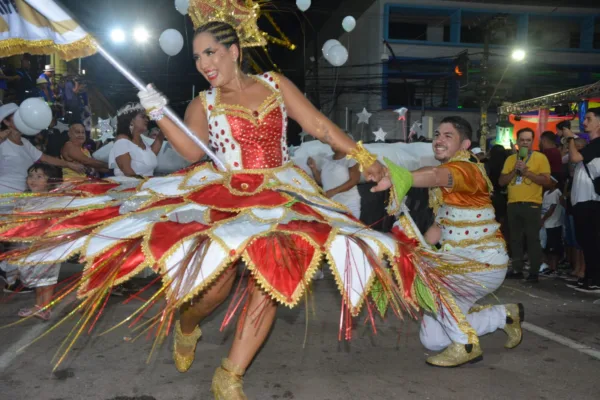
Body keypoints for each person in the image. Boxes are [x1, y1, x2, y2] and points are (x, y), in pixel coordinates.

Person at [0, 6, 447, 399]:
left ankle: (229, 376)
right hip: (228, 194)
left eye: (209, 53)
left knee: (271, 280)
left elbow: (319, 125)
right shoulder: (204, 101)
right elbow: (192, 152)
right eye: (196, 57)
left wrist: (365, 157)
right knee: (214, 289)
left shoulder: (274, 84)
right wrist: (158, 113)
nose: (203, 64)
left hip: (279, 191)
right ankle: (188, 324)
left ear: (233, 50)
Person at [371, 116, 522, 368]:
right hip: (459, 263)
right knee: (433, 340)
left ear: (464, 144)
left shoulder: (467, 169)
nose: (438, 140)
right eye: (437, 135)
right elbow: (437, 229)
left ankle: (466, 345)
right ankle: (503, 316)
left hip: (482, 263)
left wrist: (397, 176)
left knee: (426, 281)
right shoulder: (446, 180)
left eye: (447, 136)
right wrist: (409, 252)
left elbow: (434, 174)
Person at [499, 128, 551, 283]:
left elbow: (546, 181)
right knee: (514, 238)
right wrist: (515, 171)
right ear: (517, 142)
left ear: (533, 142)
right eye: (522, 140)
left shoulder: (540, 158)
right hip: (513, 203)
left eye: (528, 140)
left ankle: (534, 271)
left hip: (532, 204)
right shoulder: (510, 160)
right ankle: (517, 269)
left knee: (532, 238)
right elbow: (501, 181)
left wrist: (527, 172)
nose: (525, 143)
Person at [12, 164, 62, 320]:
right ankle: (39, 305)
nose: (33, 180)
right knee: (37, 278)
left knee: (46, 278)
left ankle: (45, 308)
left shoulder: (54, 199)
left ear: (50, 181)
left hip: (47, 245)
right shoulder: (23, 198)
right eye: (31, 176)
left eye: (39, 177)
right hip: (28, 245)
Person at [0, 103, 84, 194]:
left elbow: (45, 158)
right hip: (5, 195)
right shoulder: (3, 142)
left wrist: (68, 164)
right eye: (18, 117)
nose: (23, 119)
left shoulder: (24, 142)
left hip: (25, 194)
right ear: (6, 122)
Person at [561, 108, 600, 293]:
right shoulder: (592, 145)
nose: (584, 122)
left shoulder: (598, 143)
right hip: (582, 201)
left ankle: (594, 279)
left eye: (589, 119)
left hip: (591, 200)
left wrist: (570, 138)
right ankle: (589, 277)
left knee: (591, 241)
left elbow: (575, 157)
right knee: (585, 241)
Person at [108, 104, 163, 177]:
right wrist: (149, 182)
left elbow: (151, 155)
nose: (147, 119)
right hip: (131, 185)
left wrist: (164, 129)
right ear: (131, 120)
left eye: (147, 117)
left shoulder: (142, 141)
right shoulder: (122, 141)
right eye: (143, 117)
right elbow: (128, 172)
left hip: (146, 184)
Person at [306, 147, 362, 219]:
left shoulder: (351, 159)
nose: (333, 145)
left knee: (350, 229)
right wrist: (313, 168)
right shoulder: (326, 160)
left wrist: (333, 192)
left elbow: (354, 180)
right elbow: (322, 181)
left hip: (349, 204)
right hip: (331, 205)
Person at [540, 175, 563, 277]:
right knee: (547, 247)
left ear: (554, 182)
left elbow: (552, 208)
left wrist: (543, 219)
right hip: (546, 225)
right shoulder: (545, 193)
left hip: (554, 224)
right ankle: (549, 267)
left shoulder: (557, 193)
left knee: (554, 248)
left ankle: (554, 268)